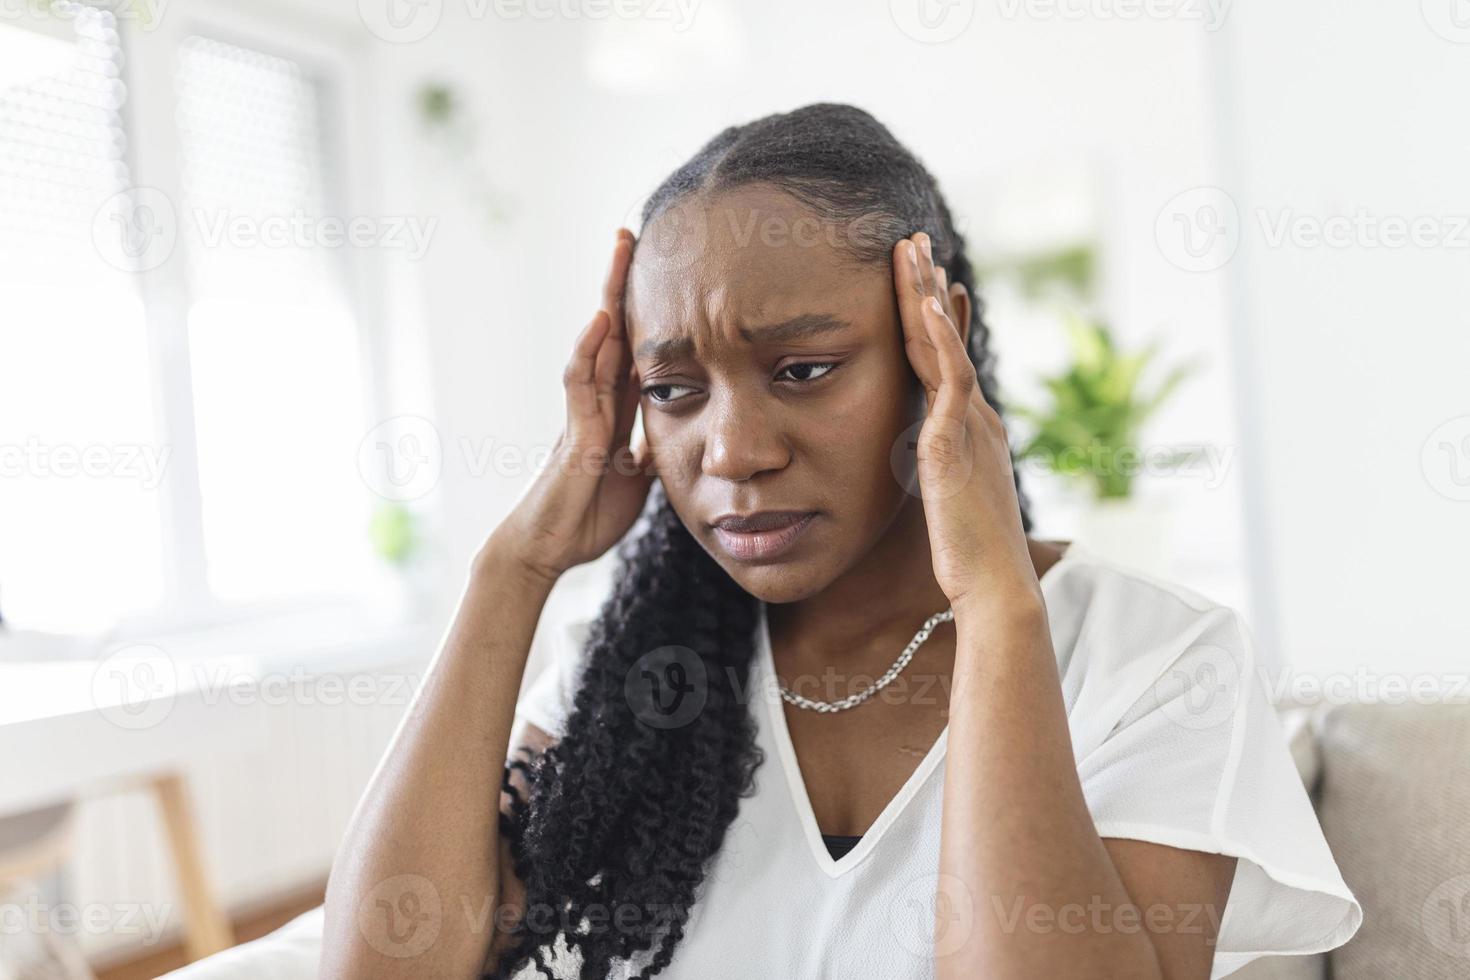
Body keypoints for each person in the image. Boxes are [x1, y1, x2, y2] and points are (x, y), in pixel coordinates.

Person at [321, 103, 1361, 980]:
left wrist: (996, 603)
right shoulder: (630, 665)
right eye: (674, 391)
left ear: (935, 344)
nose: (731, 450)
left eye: (803, 369)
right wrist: (513, 569)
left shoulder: (1158, 659)